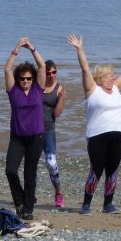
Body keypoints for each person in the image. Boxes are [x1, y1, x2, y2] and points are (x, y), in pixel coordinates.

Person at [67, 34, 121, 214]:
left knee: (112, 170)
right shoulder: (92, 89)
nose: (114, 78)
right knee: (96, 170)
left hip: (118, 135)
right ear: (101, 78)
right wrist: (80, 49)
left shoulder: (116, 89)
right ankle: (86, 204)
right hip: (97, 136)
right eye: (110, 76)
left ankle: (108, 204)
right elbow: (84, 69)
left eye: (113, 76)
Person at [4, 37, 47, 220]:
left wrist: (32, 48)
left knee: (30, 173)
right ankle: (19, 200)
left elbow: (43, 67)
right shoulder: (13, 91)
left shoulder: (38, 88)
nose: (26, 81)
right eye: (22, 78)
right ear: (18, 79)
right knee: (11, 170)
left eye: (29, 78)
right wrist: (16, 48)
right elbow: (7, 69)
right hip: (17, 138)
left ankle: (28, 208)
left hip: (36, 138)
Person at [41, 59, 67, 208]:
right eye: (48, 72)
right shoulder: (37, 86)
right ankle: (29, 196)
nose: (51, 75)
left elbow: (57, 114)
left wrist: (62, 98)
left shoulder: (59, 88)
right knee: (30, 165)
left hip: (49, 130)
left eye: (53, 72)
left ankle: (58, 193)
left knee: (51, 163)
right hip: (33, 130)